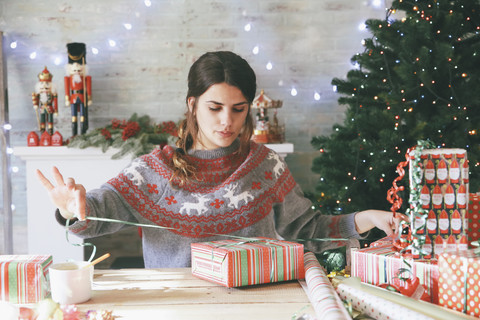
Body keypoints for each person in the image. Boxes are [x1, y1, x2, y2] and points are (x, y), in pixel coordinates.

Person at [36, 51, 401, 268]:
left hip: (253, 305)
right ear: (192, 105)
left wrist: (366, 218)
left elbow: (305, 229)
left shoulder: (265, 164)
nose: (227, 121)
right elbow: (94, 217)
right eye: (215, 107)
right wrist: (70, 209)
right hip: (179, 310)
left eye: (238, 109)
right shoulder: (154, 170)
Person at [64, 42, 92, 137]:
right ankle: (74, 135)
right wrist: (67, 98)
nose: (76, 72)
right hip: (73, 97)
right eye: (74, 70)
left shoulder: (86, 78)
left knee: (83, 117)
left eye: (78, 70)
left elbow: (88, 88)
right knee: (74, 117)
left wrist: (89, 98)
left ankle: (83, 134)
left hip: (82, 97)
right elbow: (67, 89)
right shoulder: (68, 78)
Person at [32, 66, 58, 135]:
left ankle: (50, 133)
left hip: (50, 108)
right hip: (42, 108)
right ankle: (43, 134)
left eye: (46, 85)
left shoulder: (53, 94)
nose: (44, 86)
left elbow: (55, 102)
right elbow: (36, 100)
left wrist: (56, 110)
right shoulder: (39, 94)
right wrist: (35, 105)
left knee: (50, 122)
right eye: (42, 84)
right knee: (42, 122)